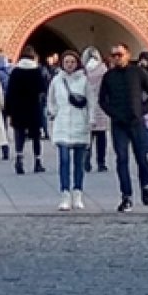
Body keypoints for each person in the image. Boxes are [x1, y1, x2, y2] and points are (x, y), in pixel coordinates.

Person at [99, 43, 148, 212]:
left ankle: (145, 186)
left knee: (141, 158)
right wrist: (112, 113)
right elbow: (102, 100)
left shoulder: (137, 72)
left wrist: (144, 108)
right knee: (121, 158)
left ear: (127, 55)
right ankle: (126, 196)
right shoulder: (109, 76)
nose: (117, 58)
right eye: (114, 55)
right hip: (119, 123)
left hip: (136, 121)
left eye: (119, 55)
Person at [47, 50, 91, 211]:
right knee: (64, 161)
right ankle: (65, 193)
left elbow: (91, 101)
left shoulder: (84, 80)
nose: (70, 65)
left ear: (77, 63)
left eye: (72, 62)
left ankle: (77, 193)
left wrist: (90, 120)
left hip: (80, 123)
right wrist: (54, 112)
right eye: (67, 62)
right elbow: (50, 99)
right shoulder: (57, 80)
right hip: (63, 124)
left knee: (79, 163)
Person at [4, 45, 46, 175]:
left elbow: (9, 91)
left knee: (19, 134)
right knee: (36, 136)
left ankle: (19, 158)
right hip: (33, 107)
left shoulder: (15, 71)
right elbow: (42, 89)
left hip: (18, 108)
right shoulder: (36, 71)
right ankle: (37, 161)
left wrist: (8, 109)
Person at [81, 47, 110, 173]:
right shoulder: (103, 70)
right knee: (101, 137)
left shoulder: (83, 71)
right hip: (101, 106)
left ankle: (86, 161)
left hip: (88, 106)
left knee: (88, 137)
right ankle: (101, 162)